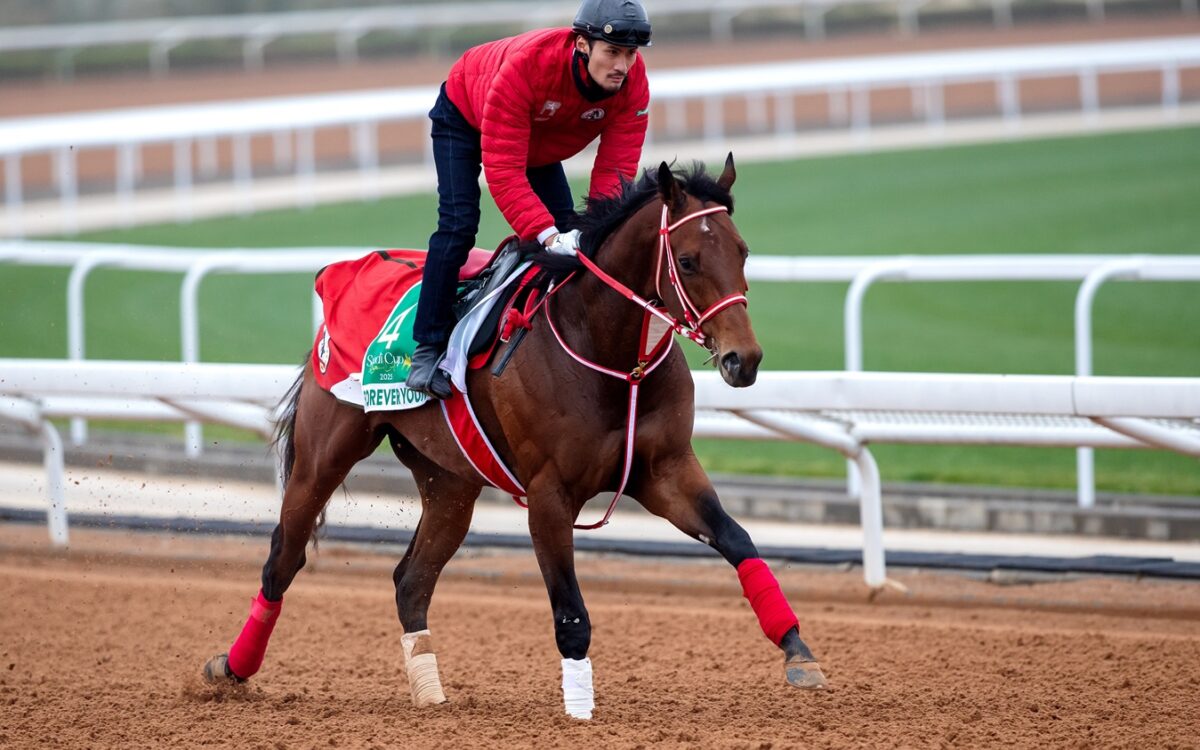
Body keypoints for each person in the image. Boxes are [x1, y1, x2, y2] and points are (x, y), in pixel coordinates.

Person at [405, 0, 653, 400]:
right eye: (612, 52)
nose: (622, 66)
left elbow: (614, 175)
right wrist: (547, 235)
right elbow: (504, 173)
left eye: (630, 54)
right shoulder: (527, 68)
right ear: (582, 45)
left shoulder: (633, 85)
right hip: (466, 114)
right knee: (459, 225)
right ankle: (427, 348)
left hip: (538, 135)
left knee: (578, 238)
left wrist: (592, 234)